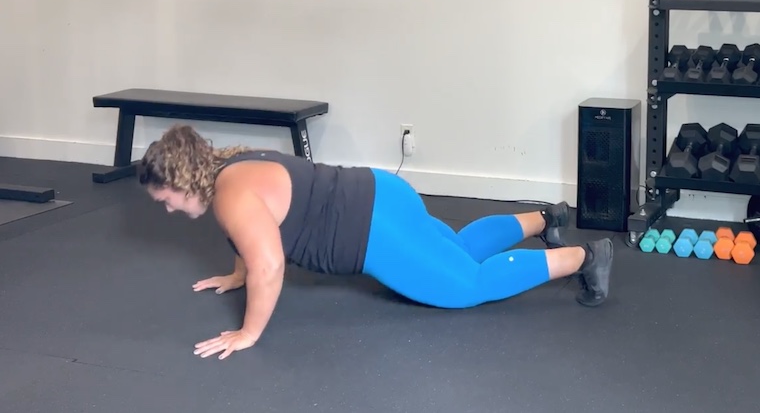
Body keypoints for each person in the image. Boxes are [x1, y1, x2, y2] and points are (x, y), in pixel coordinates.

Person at [138, 124, 614, 360]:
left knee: (465, 285)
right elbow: (250, 239)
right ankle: (546, 218)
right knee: (455, 248)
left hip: (374, 231)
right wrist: (237, 274)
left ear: (184, 181)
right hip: (382, 191)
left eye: (165, 199)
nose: (168, 209)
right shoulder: (231, 166)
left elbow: (269, 266)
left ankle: (586, 257)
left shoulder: (229, 197)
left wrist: (249, 333)